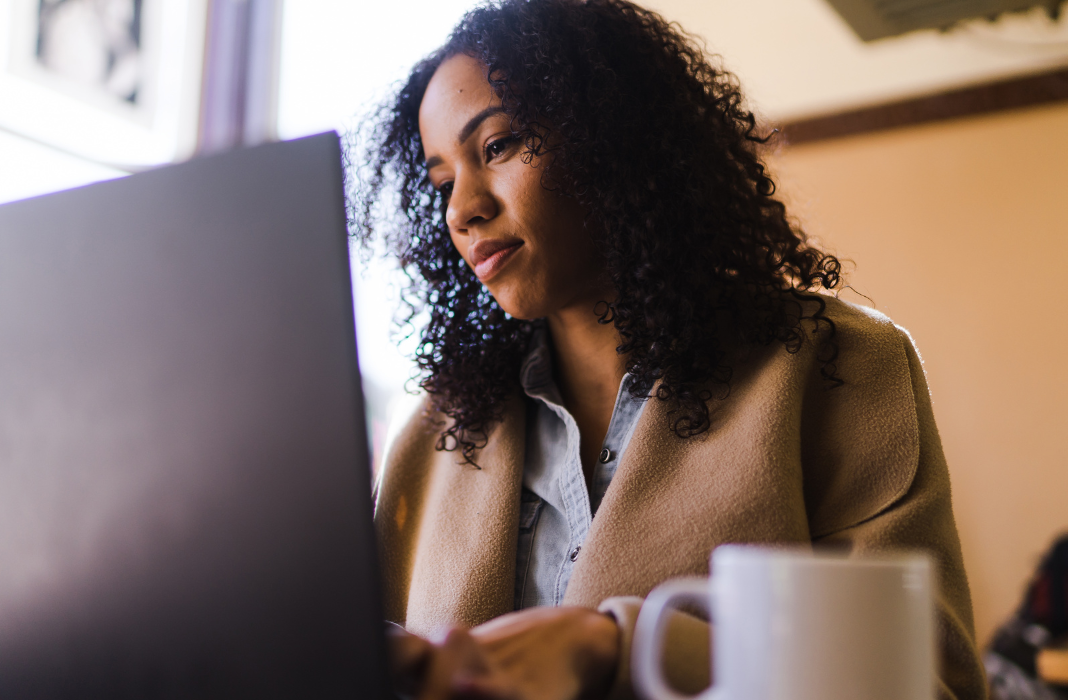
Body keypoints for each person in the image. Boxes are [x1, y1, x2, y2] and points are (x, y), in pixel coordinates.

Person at [359, 1, 987, 698]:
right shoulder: (435, 433)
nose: (462, 209)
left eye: (499, 145)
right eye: (443, 182)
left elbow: (926, 685)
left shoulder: (839, 368)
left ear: (611, 136)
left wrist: (624, 647)